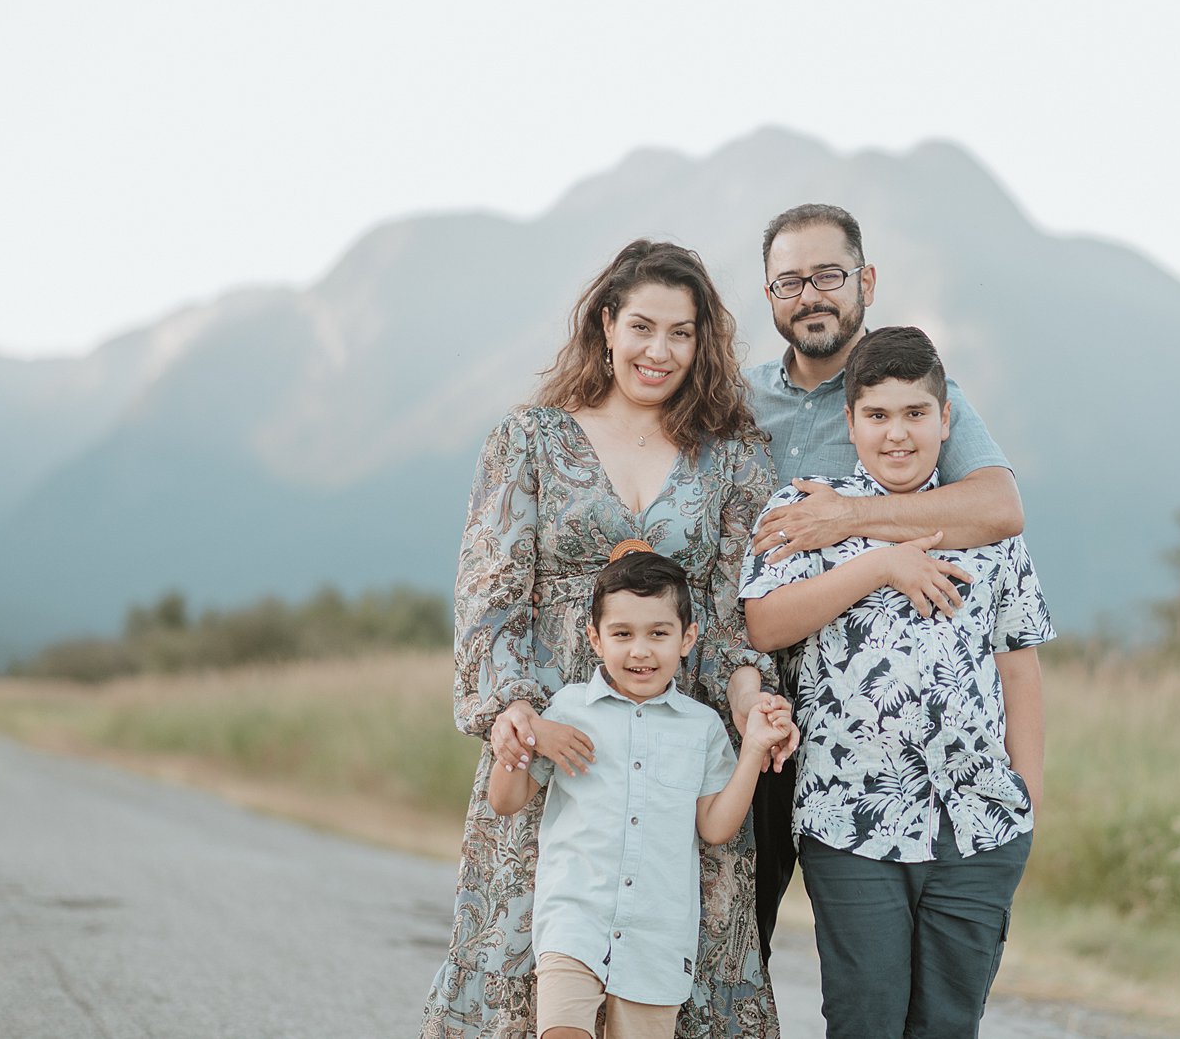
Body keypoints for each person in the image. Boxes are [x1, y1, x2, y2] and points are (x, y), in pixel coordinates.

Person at [423, 239, 797, 1039]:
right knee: (534, 966)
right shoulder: (528, 440)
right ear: (606, 324)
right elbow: (489, 599)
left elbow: (736, 619)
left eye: (682, 332)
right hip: (559, 733)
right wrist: (512, 715)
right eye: (643, 326)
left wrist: (752, 705)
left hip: (677, 744)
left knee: (673, 975)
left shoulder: (732, 456)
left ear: (704, 342)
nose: (659, 351)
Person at [738, 327, 1053, 1039]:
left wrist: (1024, 798)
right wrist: (878, 564)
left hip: (977, 823)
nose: (898, 434)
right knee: (865, 1018)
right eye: (877, 416)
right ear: (849, 423)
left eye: (916, 413)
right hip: (853, 819)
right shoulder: (808, 508)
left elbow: (1018, 661)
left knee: (948, 1024)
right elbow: (765, 624)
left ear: (947, 420)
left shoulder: (984, 523)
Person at [743, 203, 1025, 958]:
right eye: (790, 281)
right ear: (768, 294)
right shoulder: (736, 401)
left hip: (872, 739)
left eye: (829, 275)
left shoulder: (916, 390)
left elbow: (998, 507)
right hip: (749, 706)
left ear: (865, 280)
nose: (811, 295)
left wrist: (847, 521)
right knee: (728, 943)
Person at [487, 545, 793, 1039]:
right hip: (574, 919)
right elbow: (504, 801)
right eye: (622, 634)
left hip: (658, 935)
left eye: (658, 633)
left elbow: (715, 828)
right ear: (595, 637)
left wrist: (754, 748)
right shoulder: (566, 710)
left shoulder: (702, 727)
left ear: (687, 638)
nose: (640, 650)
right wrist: (522, 736)